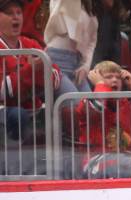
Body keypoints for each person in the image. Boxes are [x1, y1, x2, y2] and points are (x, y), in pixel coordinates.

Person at [0, 0, 61, 143]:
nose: (16, 17)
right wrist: (31, 70)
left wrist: (34, 74)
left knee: (57, 114)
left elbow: (55, 77)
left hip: (34, 108)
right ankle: (12, 163)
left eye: (19, 13)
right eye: (9, 13)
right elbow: (3, 91)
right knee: (18, 116)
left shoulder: (31, 44)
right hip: (6, 111)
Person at [44, 0, 98, 94]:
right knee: (75, 104)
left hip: (77, 63)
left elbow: (92, 42)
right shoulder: (62, 2)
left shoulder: (90, 8)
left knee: (89, 105)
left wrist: (86, 66)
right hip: (57, 60)